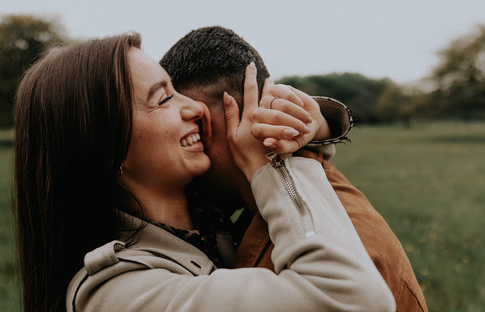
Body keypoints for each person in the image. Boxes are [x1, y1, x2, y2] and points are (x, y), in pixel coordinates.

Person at [13, 32, 395, 312]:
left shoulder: (204, 219)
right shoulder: (118, 294)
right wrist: (270, 162)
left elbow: (318, 145)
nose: (195, 109)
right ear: (107, 154)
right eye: (163, 98)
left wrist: (314, 122)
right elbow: (350, 298)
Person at [160, 26, 428, 312]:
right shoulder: (245, 212)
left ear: (245, 119)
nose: (187, 148)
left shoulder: (345, 252)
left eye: (195, 128)